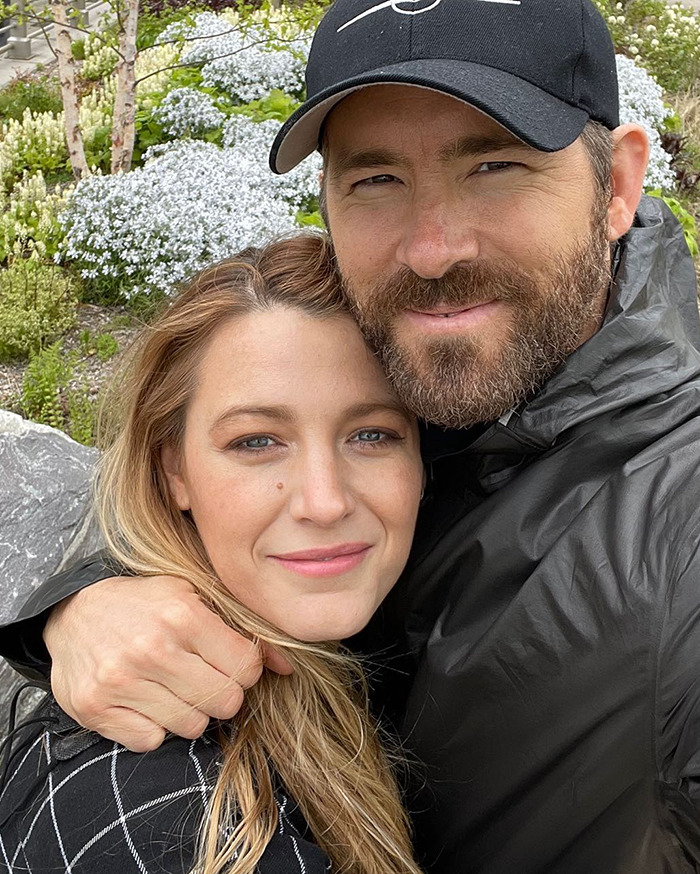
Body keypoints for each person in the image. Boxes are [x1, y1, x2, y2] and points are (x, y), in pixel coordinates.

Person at [1, 0, 700, 870]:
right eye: (376, 180)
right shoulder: (429, 372)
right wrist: (83, 601)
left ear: (619, 185)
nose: (433, 250)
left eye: (496, 165)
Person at [0, 234, 425, 873]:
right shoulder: (167, 819)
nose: (325, 502)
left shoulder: (381, 622)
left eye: (372, 434)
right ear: (174, 470)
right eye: (256, 442)